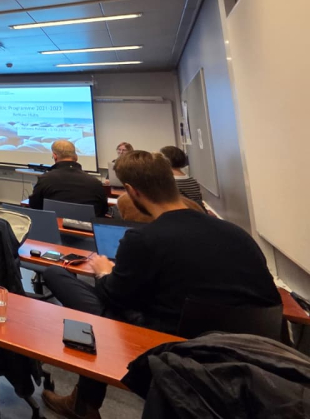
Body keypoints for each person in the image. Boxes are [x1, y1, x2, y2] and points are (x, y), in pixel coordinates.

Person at [41, 150, 280, 419]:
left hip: (174, 349)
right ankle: (83, 402)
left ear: (132, 191)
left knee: (70, 285)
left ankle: (83, 403)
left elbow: (114, 297)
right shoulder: (238, 234)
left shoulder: (143, 239)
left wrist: (105, 273)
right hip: (259, 357)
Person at [27, 139, 108, 217]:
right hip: (86, 225)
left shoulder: (45, 179)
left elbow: (34, 205)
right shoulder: (94, 183)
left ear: (55, 156)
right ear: (76, 157)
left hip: (53, 225)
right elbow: (103, 210)